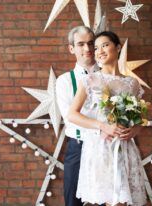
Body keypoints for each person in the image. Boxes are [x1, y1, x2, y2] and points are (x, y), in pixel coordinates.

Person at [67, 31, 147, 206]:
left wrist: (134, 130)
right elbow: (72, 114)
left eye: (105, 45)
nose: (99, 51)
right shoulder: (90, 80)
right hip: (101, 147)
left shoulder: (132, 84)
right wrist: (102, 126)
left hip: (125, 149)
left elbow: (140, 120)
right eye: (96, 48)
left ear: (118, 47)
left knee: (123, 202)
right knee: (113, 201)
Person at [56, 25, 101, 206]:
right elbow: (70, 118)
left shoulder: (109, 76)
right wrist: (102, 125)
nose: (87, 49)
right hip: (78, 147)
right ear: (71, 48)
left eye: (91, 43)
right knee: (73, 201)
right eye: (81, 44)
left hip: (106, 147)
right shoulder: (65, 80)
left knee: (111, 200)